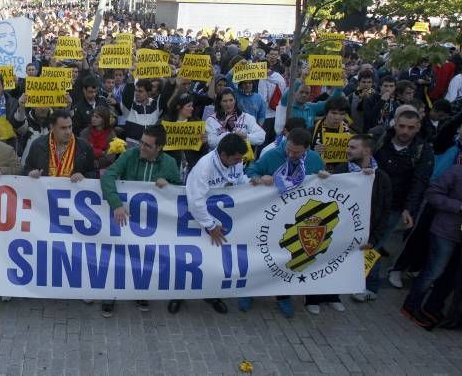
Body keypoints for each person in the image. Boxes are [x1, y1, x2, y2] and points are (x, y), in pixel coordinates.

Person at [244, 127, 329, 317]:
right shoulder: (272, 154)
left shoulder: (315, 159)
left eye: (296, 152)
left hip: (296, 218)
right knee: (259, 255)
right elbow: (250, 171)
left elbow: (322, 184)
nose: (290, 154)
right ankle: (249, 292)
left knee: (287, 257)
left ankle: (283, 296)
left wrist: (324, 177)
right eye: (289, 149)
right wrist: (258, 178)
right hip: (267, 217)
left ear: (306, 149)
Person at [99, 125, 180, 318]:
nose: (141, 147)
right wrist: (116, 203)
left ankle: (141, 292)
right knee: (118, 256)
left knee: (145, 258)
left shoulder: (170, 163)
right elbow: (108, 176)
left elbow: (179, 192)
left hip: (151, 224)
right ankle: (111, 294)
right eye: (142, 142)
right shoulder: (130, 155)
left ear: (159, 148)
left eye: (147, 145)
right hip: (125, 217)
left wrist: (168, 186)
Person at [169, 133, 251, 315]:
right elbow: (196, 202)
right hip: (196, 219)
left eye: (240, 159)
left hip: (219, 220)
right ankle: (178, 295)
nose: (239, 162)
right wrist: (210, 225)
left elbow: (239, 179)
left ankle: (212, 295)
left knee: (214, 260)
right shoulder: (204, 167)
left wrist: (251, 182)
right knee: (188, 259)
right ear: (223, 155)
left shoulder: (235, 162)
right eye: (236, 158)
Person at [374, 110, 434, 295]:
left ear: (417, 128)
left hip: (394, 206)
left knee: (376, 243)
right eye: (401, 126)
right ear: (395, 124)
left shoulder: (423, 151)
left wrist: (409, 209)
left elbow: (420, 182)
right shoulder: (379, 140)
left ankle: (368, 283)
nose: (405, 131)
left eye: (410, 127)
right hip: (369, 201)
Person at [328, 135, 392, 303]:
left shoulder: (382, 177)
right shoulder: (341, 170)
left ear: (367, 151)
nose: (348, 150)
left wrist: (374, 238)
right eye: (348, 146)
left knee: (371, 256)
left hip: (371, 229)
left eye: (353, 147)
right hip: (345, 228)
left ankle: (370, 288)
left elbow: (385, 211)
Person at [401, 164, 462, 329]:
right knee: (434, 272)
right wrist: (458, 206)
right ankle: (411, 306)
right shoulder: (456, 171)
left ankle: (432, 307)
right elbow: (432, 193)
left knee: (451, 276)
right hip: (445, 232)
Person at [24, 109, 97, 180]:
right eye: (63, 128)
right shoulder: (37, 145)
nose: (68, 132)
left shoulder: (84, 147)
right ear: (52, 127)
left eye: (70, 127)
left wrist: (83, 176)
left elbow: (95, 172)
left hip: (74, 191)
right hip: (44, 191)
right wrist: (31, 173)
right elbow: (27, 169)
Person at [79, 106, 117, 173]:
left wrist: (96, 163)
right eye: (93, 116)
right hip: (86, 167)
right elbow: (82, 151)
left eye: (97, 117)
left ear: (104, 119)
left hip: (105, 168)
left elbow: (110, 157)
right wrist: (101, 152)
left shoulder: (111, 134)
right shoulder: (85, 132)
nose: (93, 119)